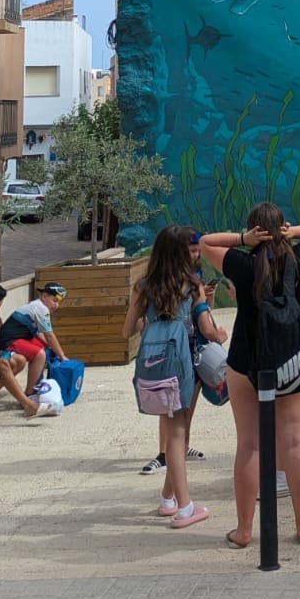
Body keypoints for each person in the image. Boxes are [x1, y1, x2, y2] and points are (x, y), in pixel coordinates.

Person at [199, 207, 300, 550]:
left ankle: (244, 530)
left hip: (246, 359)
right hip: (292, 357)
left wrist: (243, 240)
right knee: (294, 440)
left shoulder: (242, 264)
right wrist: (293, 233)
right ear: (282, 227)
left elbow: (205, 242)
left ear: (253, 230)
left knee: (249, 443)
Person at [122, 226, 225, 529]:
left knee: (174, 433)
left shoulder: (143, 287)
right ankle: (185, 507)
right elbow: (206, 329)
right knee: (179, 436)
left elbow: (127, 331)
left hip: (154, 369)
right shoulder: (192, 286)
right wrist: (220, 335)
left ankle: (168, 498)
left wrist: (150, 324)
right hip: (183, 368)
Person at [139, 229, 219, 477]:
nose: (196, 255)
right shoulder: (179, 283)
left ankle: (178, 451)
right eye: (192, 251)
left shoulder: (192, 279)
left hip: (181, 350)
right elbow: (206, 327)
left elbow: (202, 314)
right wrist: (218, 335)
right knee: (172, 411)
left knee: (180, 411)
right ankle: (166, 455)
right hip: (177, 352)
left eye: (198, 251)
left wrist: (207, 299)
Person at [0, 283, 68, 394]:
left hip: (15, 338)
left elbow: (40, 334)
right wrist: (62, 356)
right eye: (55, 300)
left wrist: (49, 346)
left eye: (58, 302)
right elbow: (49, 336)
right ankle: (30, 392)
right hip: (7, 342)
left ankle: (36, 385)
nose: (56, 305)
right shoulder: (41, 309)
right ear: (44, 296)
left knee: (43, 348)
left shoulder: (37, 306)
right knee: (40, 355)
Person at [0, 285, 39, 417]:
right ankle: (28, 405)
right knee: (3, 364)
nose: (1, 305)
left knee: (20, 360)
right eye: (1, 302)